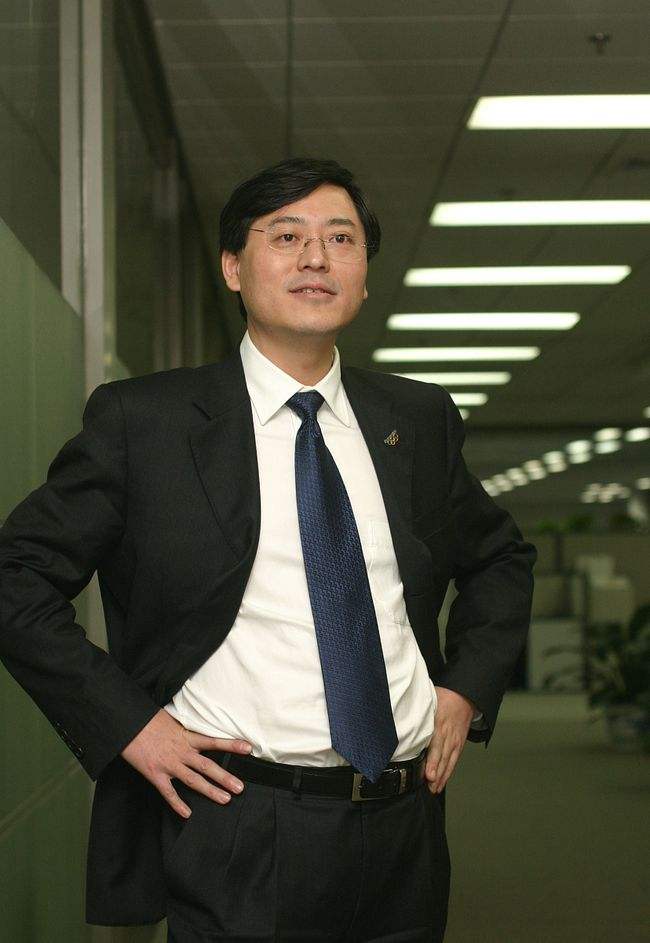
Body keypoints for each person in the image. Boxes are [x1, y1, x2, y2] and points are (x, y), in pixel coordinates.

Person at [0, 157, 536, 942]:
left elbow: (501, 558)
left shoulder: (416, 420)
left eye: (341, 239)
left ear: (362, 275)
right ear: (233, 267)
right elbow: (16, 577)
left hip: (405, 824)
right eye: (286, 236)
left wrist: (466, 688)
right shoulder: (147, 423)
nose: (316, 257)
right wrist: (130, 724)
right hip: (237, 823)